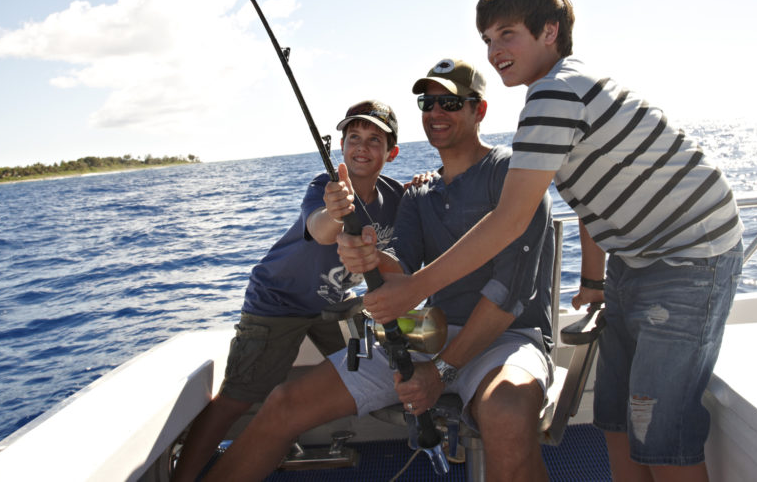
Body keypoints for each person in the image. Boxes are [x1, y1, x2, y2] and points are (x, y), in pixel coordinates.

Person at [364, 0, 744, 482]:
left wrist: (416, 286)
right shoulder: (561, 88)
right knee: (613, 417)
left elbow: (510, 219)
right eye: (487, 40)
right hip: (634, 261)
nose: (495, 50)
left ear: (550, 31)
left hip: (690, 259)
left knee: (659, 431)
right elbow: (592, 191)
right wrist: (593, 279)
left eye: (507, 34)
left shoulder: (554, 94)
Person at [205, 58, 557, 482]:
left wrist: (441, 371)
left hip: (507, 340)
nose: (436, 112)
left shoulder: (513, 173)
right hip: (434, 331)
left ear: (478, 110)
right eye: (427, 103)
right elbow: (400, 271)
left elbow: (510, 293)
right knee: (284, 402)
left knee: (506, 413)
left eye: (450, 102)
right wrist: (365, 256)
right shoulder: (419, 193)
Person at [173, 100, 404, 482]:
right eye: (354, 138)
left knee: (378, 358)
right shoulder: (324, 187)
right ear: (341, 148)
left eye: (375, 140)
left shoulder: (397, 198)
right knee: (238, 397)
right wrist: (335, 211)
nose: (362, 146)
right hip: (277, 302)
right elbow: (318, 228)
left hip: (331, 303)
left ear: (392, 153)